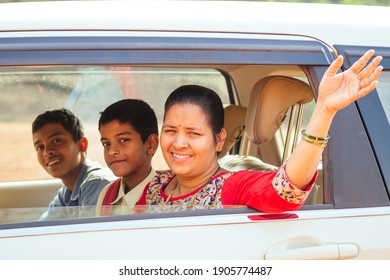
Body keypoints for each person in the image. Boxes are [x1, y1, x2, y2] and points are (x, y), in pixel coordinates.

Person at [136, 49, 383, 213]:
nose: (179, 143)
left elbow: (286, 189)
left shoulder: (232, 186)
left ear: (219, 139)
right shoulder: (155, 185)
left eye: (193, 133)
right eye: (171, 130)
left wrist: (324, 111)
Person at [32, 108, 116, 219]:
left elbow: (90, 234)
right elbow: (42, 226)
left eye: (57, 141)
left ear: (82, 144)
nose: (47, 152)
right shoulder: (67, 192)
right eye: (40, 147)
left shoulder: (96, 184)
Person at [96, 99, 159, 215]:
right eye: (106, 144)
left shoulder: (163, 198)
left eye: (123, 140)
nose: (111, 152)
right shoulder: (107, 194)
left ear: (151, 144)